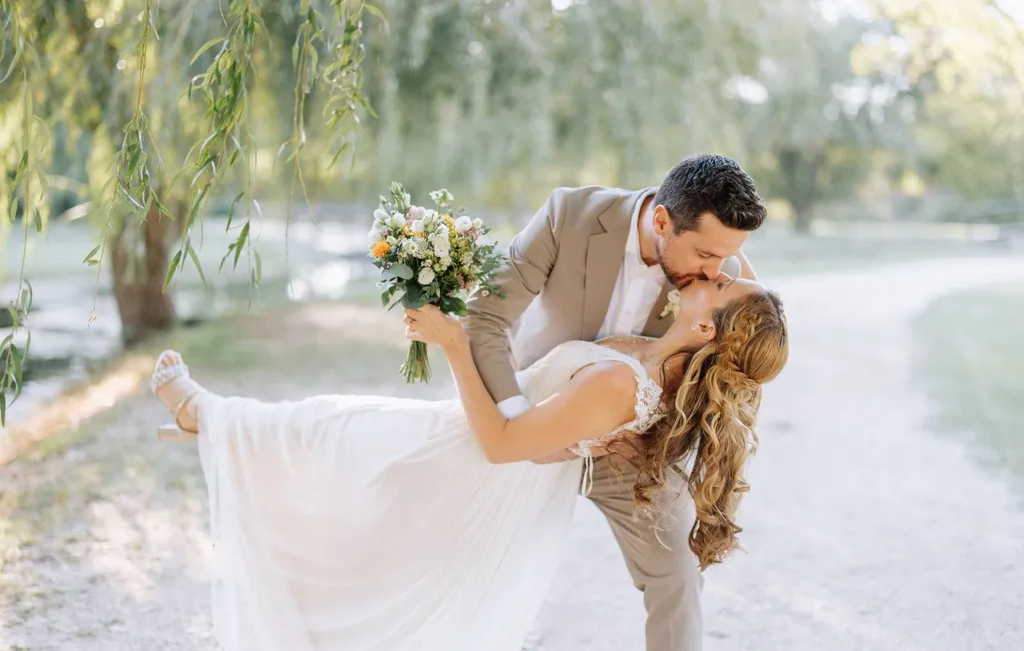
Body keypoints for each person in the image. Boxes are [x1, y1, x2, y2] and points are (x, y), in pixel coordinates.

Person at [152, 278, 788, 651]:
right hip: (475, 446)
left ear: (710, 331)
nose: (716, 268)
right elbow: (744, 320)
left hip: (473, 461)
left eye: (723, 281)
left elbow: (503, 446)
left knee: (336, 437)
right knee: (339, 438)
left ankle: (202, 416)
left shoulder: (623, 387)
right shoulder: (668, 362)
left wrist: (455, 344)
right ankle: (214, 423)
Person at [466, 153, 769, 651]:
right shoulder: (570, 215)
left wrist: (657, 426)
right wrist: (522, 424)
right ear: (662, 220)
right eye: (706, 256)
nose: (717, 271)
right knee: (476, 566)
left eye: (726, 259)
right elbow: (485, 318)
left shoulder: (719, 270)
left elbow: (744, 360)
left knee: (678, 573)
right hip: (530, 414)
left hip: (629, 445)